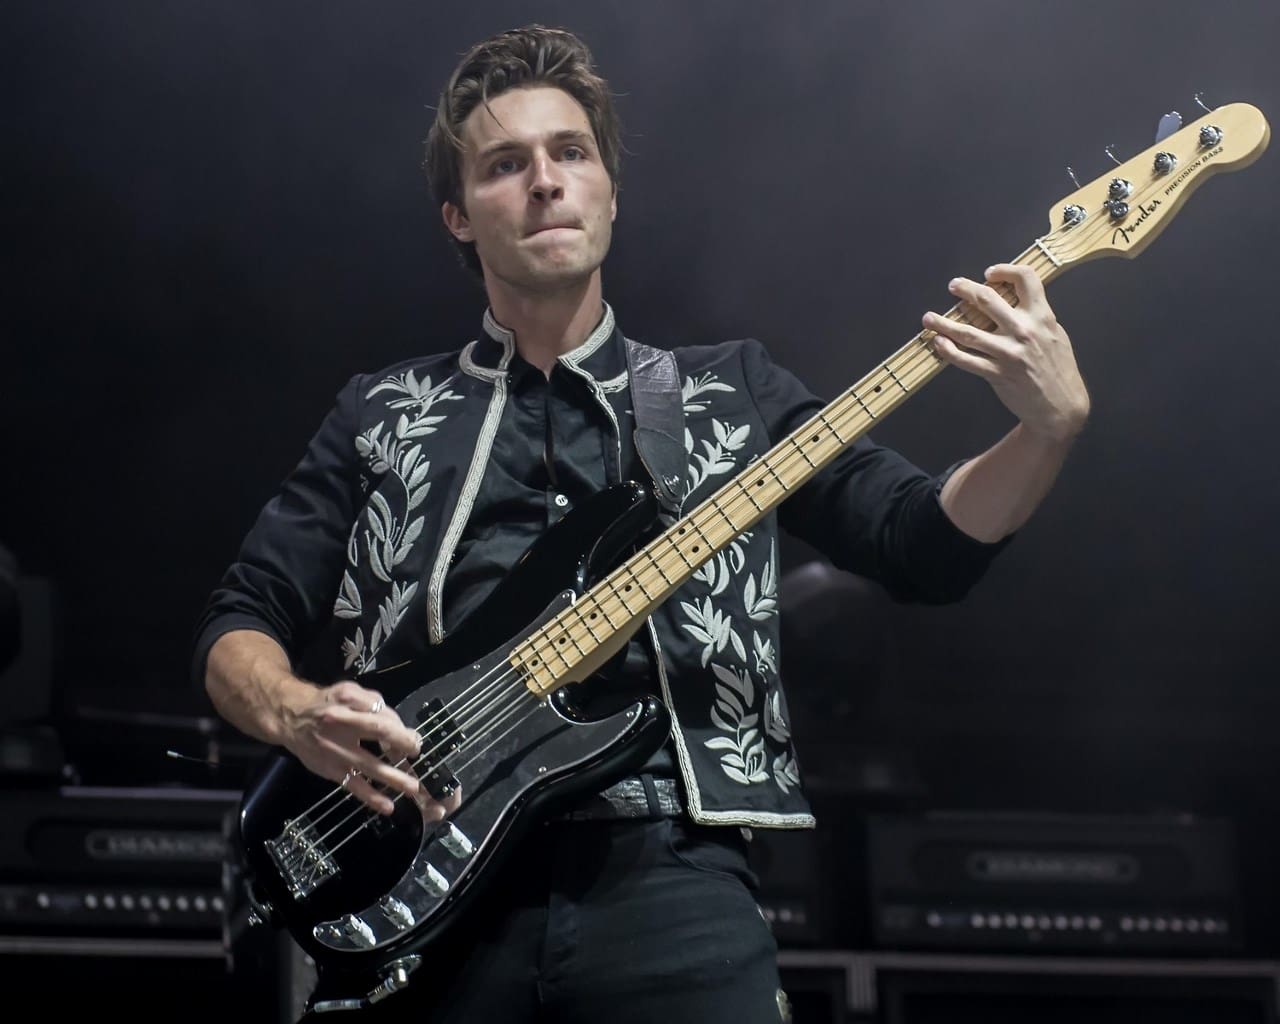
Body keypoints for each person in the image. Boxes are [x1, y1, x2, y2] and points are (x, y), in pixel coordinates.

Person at [192, 24, 1089, 1023]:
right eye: (504, 164)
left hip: (671, 885)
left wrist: (1044, 431)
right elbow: (240, 620)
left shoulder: (731, 392)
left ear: (611, 194)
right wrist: (294, 712)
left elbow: (919, 546)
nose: (545, 181)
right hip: (422, 888)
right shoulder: (381, 414)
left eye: (571, 153)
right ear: (457, 215)